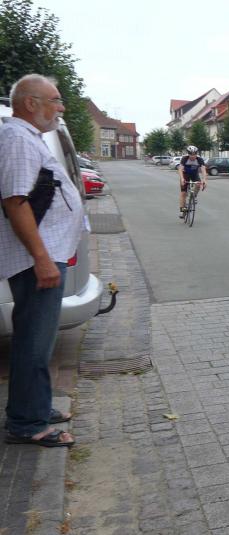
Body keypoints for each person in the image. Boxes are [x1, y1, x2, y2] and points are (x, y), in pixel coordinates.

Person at [0, 74, 83, 447]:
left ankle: (34, 406)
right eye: (55, 100)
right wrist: (42, 258)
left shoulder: (26, 137)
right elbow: (15, 202)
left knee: (38, 339)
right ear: (31, 103)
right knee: (34, 341)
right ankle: (27, 423)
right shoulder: (17, 139)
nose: (61, 107)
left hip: (44, 254)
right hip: (37, 258)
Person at [178, 145, 207, 218]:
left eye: (194, 154)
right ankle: (183, 210)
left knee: (198, 184)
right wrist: (182, 179)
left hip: (194, 174)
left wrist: (204, 180)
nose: (193, 156)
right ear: (188, 154)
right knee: (183, 193)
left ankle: (194, 196)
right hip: (185, 175)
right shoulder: (185, 159)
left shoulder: (199, 159)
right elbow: (180, 169)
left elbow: (203, 170)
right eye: (191, 154)